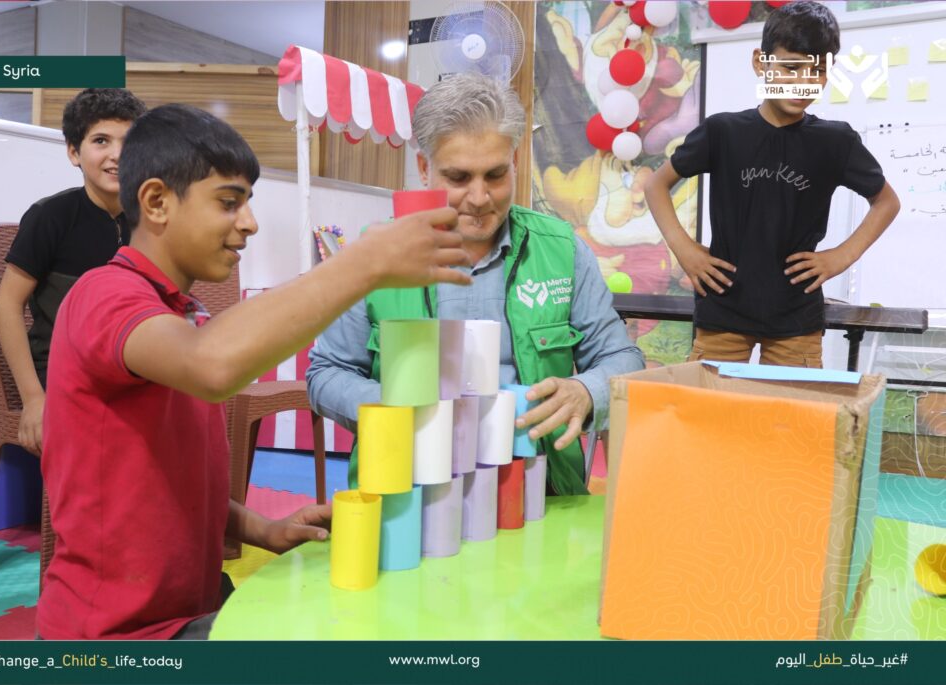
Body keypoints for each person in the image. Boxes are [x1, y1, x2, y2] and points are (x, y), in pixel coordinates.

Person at [37, 104, 472, 640]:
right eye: (229, 202)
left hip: (189, 607)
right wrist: (364, 263)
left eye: (248, 202)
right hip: (115, 636)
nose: (249, 222)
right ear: (156, 202)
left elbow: (168, 483)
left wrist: (263, 528)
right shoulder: (105, 295)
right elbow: (211, 365)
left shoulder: (183, 314)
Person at [307, 73, 645, 497]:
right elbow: (325, 374)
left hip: (540, 495)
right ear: (425, 168)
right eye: (459, 177)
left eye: (496, 174)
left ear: (515, 160)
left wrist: (585, 391)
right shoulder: (374, 257)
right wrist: (391, 405)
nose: (480, 197)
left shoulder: (561, 251)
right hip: (404, 498)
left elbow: (624, 359)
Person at [645, 1, 900, 367]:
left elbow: (887, 202)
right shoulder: (722, 131)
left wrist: (840, 256)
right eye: (790, 67)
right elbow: (656, 185)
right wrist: (685, 250)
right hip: (723, 311)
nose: (803, 82)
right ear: (760, 63)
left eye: (818, 71)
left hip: (796, 318)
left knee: (788, 406)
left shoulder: (836, 141)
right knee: (712, 403)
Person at [0, 88, 147, 455]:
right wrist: (34, 398)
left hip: (132, 368)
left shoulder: (150, 219)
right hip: (63, 371)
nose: (117, 155)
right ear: (74, 152)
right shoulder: (50, 217)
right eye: (101, 141)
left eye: (129, 142)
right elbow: (7, 306)